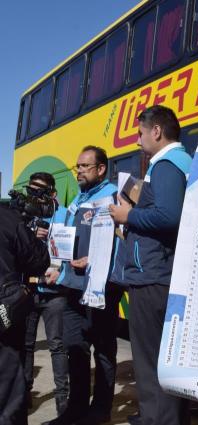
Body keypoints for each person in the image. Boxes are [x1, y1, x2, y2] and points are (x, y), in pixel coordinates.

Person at [109, 105, 192, 425]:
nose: (138, 140)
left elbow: (169, 216)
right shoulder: (180, 163)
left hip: (153, 277)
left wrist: (128, 216)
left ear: (156, 131)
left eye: (141, 133)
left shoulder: (167, 164)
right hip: (163, 273)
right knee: (166, 363)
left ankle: (157, 418)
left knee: (150, 363)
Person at [44, 146, 123, 425]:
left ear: (101, 169)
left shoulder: (114, 195)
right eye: (77, 166)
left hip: (101, 288)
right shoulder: (78, 199)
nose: (78, 172)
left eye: (84, 167)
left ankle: (100, 410)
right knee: (74, 348)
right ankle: (75, 408)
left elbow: (123, 241)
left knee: (103, 350)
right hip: (72, 287)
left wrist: (96, 258)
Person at [22, 172, 69, 415]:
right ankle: (25, 393)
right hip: (29, 291)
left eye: (39, 191)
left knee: (57, 346)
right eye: (31, 190)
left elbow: (70, 253)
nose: (34, 196)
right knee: (26, 345)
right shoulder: (25, 216)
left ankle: (63, 401)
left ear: (51, 193)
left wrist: (50, 234)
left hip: (55, 293)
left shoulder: (65, 215)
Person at [0, 199, 50, 424]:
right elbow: (39, 261)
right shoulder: (9, 219)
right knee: (9, 394)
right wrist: (32, 234)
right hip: (5, 317)